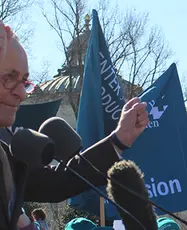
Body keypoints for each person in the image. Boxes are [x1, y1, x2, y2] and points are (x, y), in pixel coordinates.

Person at [0, 21, 149, 230]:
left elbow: (55, 183)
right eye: (9, 78)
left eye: (24, 81)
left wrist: (119, 139)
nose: (22, 93)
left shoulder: (6, 150)